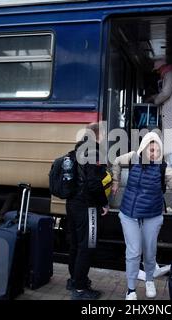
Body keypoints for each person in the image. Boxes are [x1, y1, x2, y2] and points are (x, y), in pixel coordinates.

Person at [111, 132, 172, 300]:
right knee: (134, 252)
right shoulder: (132, 157)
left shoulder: (163, 166)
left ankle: (150, 279)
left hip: (152, 215)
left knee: (150, 252)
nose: (155, 154)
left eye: (158, 150)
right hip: (129, 214)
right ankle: (131, 289)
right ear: (143, 148)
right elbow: (116, 162)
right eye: (151, 150)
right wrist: (115, 181)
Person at [66, 122, 110, 300]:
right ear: (97, 135)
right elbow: (93, 183)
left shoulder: (76, 149)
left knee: (75, 244)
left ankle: (74, 280)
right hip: (87, 207)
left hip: (72, 205)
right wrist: (104, 203)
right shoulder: (94, 151)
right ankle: (80, 289)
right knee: (87, 246)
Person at [146, 58, 172, 169]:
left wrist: (154, 100)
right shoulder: (170, 75)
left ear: (161, 67)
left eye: (158, 70)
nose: (158, 72)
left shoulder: (170, 75)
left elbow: (166, 93)